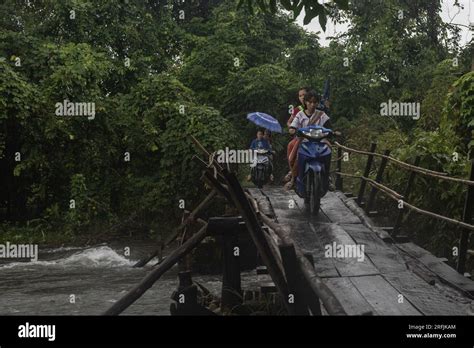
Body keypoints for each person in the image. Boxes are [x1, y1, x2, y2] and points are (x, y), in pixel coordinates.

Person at [285, 90, 332, 190]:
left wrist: (334, 132)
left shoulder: (322, 115)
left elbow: (329, 127)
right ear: (306, 102)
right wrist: (293, 130)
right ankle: (293, 177)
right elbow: (293, 126)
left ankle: (327, 177)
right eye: (310, 102)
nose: (312, 104)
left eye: (315, 102)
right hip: (303, 140)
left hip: (320, 140)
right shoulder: (300, 114)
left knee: (328, 149)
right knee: (294, 155)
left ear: (317, 103)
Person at [285, 87, 310, 182]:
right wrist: (293, 128)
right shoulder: (297, 110)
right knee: (291, 145)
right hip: (300, 136)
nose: (302, 97)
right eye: (300, 95)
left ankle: (326, 175)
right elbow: (289, 122)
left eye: (304, 95)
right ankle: (292, 171)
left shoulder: (315, 106)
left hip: (314, 136)